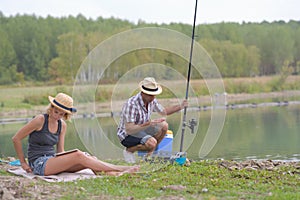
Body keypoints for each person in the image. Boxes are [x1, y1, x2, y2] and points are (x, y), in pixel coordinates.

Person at [12, 92, 139, 176]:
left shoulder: (62, 125)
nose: (58, 116)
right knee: (79, 155)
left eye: (62, 114)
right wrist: (23, 162)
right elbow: (16, 138)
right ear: (51, 108)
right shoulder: (40, 120)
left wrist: (72, 157)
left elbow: (60, 151)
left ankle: (115, 174)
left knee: (89, 159)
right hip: (39, 164)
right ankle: (120, 168)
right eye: (56, 112)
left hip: (52, 161)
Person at [117, 77, 188, 163]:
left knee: (164, 125)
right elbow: (129, 129)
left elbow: (164, 111)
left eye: (154, 94)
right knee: (152, 142)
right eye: (150, 94)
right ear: (143, 93)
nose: (153, 97)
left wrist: (180, 106)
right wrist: (148, 124)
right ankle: (129, 151)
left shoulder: (151, 100)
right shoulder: (131, 104)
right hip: (127, 135)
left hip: (141, 130)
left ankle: (149, 156)